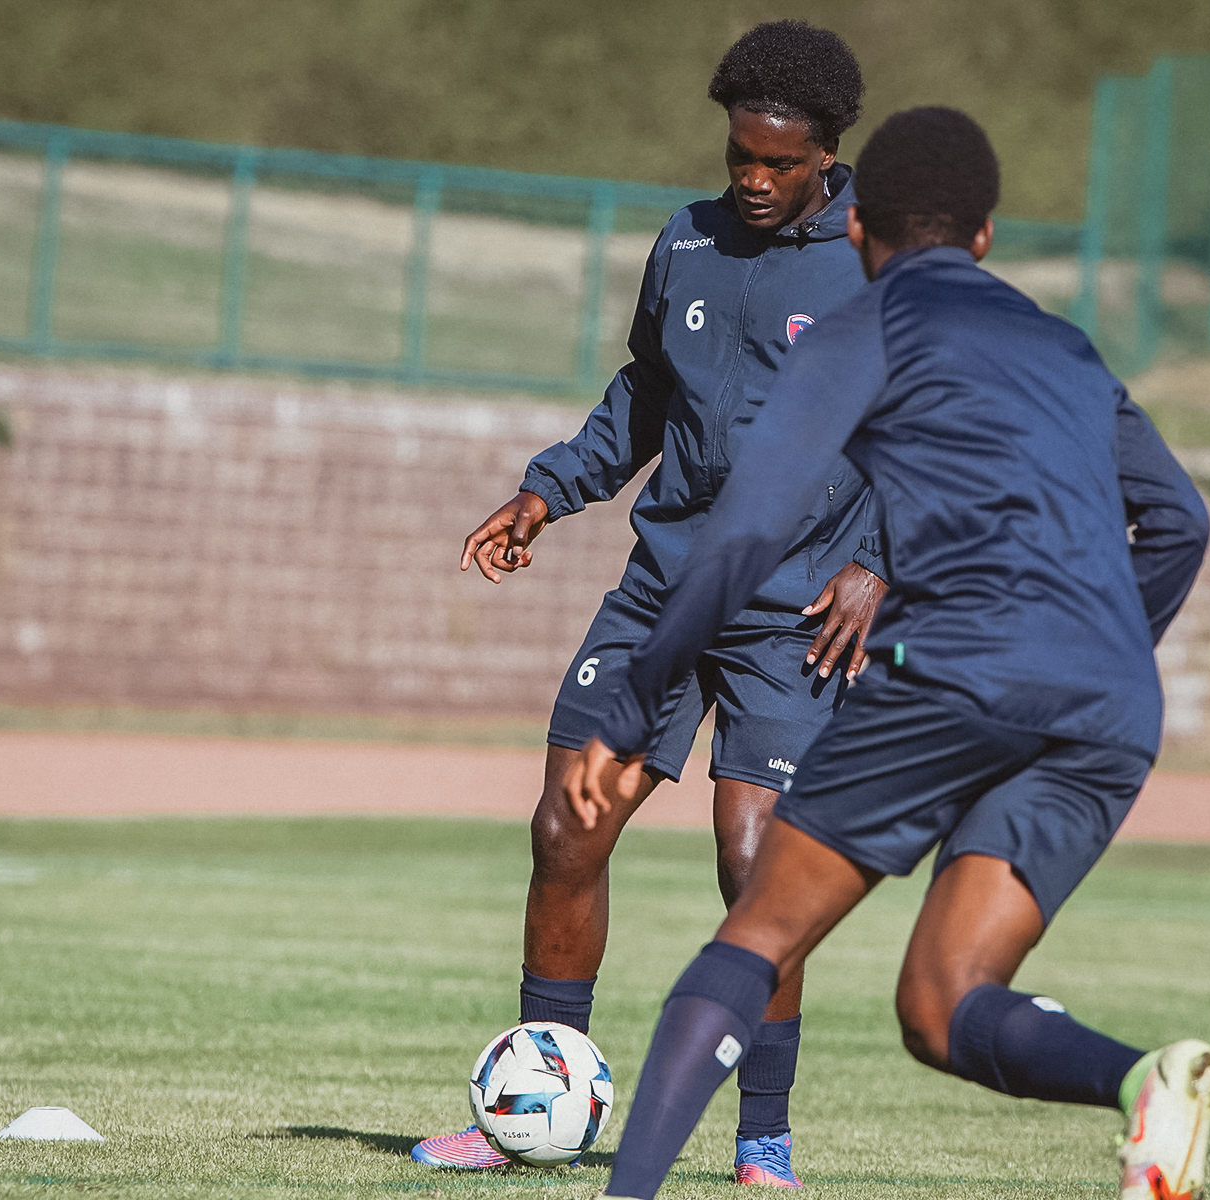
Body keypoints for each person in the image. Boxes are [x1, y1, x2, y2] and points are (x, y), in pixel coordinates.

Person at [564, 106, 1210, 1200]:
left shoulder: (863, 331)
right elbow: (1180, 521)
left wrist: (636, 701)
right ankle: (1148, 1083)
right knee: (939, 1006)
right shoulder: (1063, 344)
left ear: (859, 224)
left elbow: (744, 533)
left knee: (752, 936)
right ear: (986, 238)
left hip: (961, 671)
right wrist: (1102, 658)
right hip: (1109, 709)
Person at [413, 22, 886, 1185]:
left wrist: (880, 564)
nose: (756, 181)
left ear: (828, 153)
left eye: (779, 163)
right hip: (665, 590)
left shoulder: (887, 265)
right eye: (740, 159)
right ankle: (533, 1099)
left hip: (793, 612)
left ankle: (762, 1139)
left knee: (753, 864)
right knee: (566, 825)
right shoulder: (686, 240)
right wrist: (546, 492)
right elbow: (642, 397)